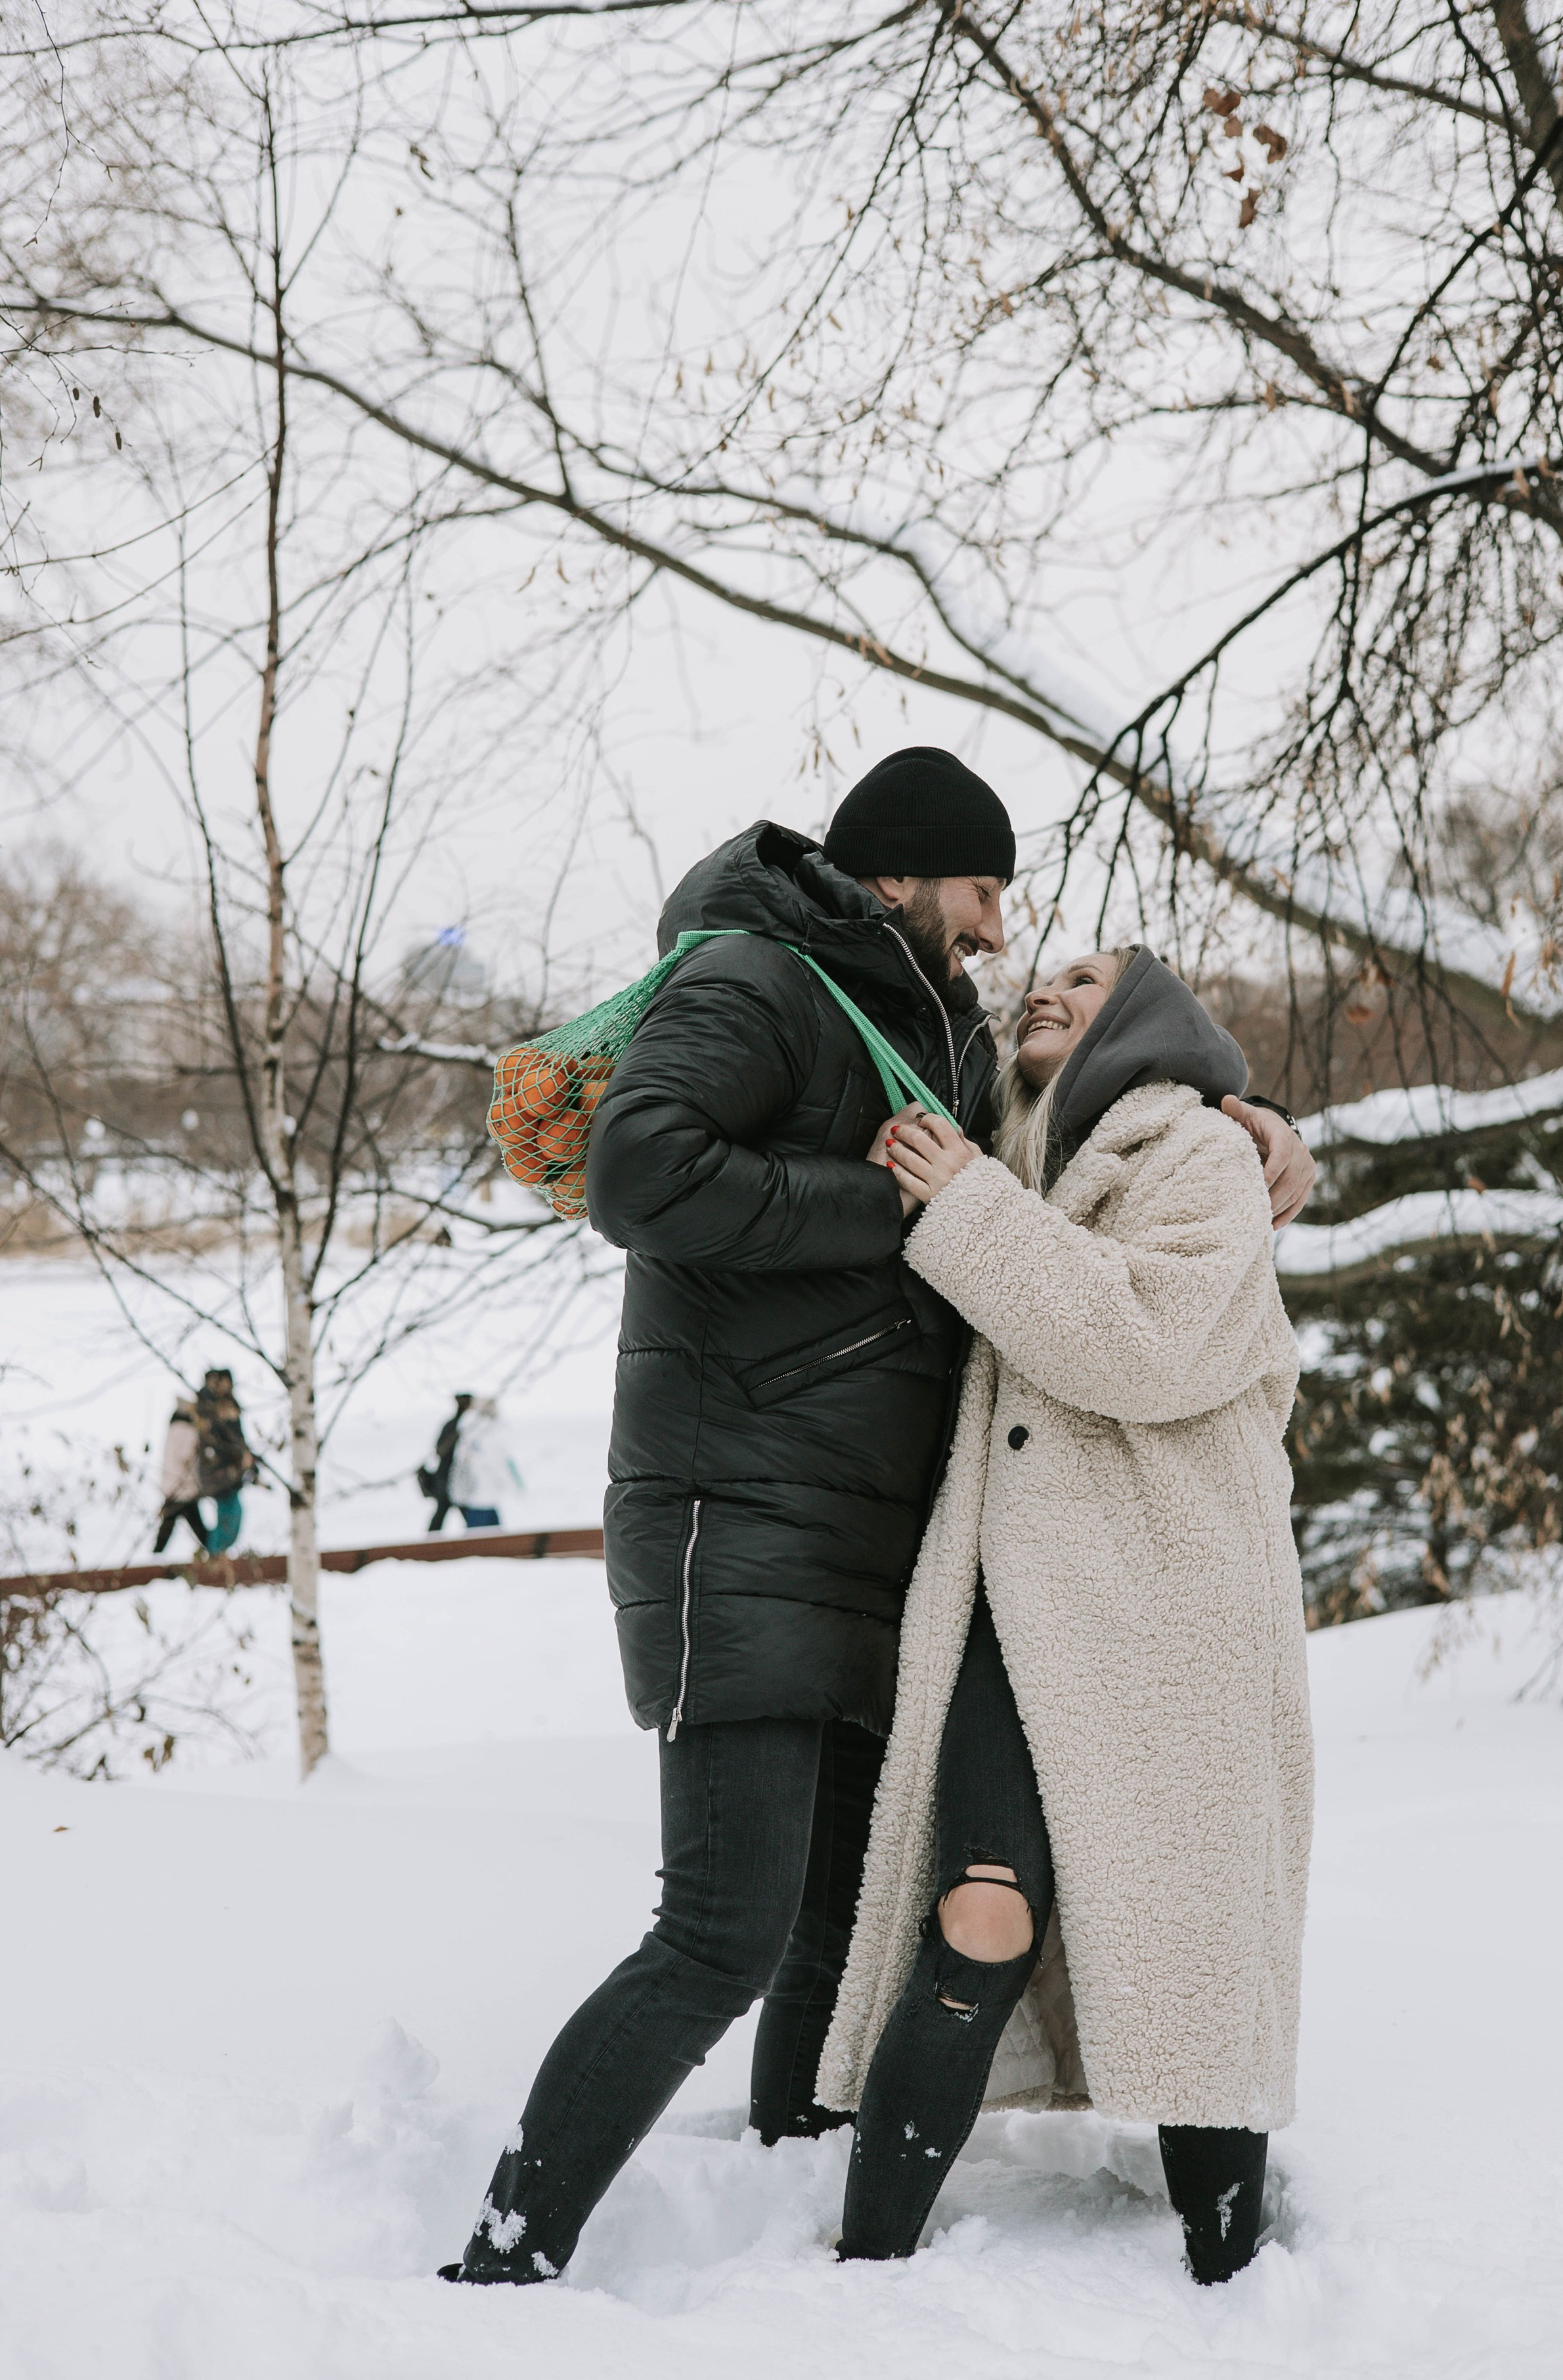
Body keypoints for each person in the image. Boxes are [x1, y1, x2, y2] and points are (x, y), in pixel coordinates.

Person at [442, 750, 1315, 2285]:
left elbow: (1068, 1133)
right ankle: (507, 2250)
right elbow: (643, 1171)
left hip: (877, 1551)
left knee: (835, 1931)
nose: (995, 932)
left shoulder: (924, 1025)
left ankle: (782, 2199)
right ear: (906, 867)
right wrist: (894, 1208)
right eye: (981, 892)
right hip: (744, 1516)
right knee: (718, 1927)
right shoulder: (753, 973)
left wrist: (1245, 1112)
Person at [814, 944, 1313, 2286]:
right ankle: (862, 2277)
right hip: (1004, 1590)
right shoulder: (993, 1150)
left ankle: (1232, 2283)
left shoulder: (1192, 1155)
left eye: (1088, 981)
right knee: (978, 1906)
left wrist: (973, 1208)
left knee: (1190, 1926)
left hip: (1173, 1599)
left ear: (1146, 1021)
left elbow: (1145, 1344)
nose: (1047, 985)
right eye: (1042, 971)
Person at [194, 1368, 253, 1556]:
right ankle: (214, 1558)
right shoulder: (210, 1407)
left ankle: (217, 1556)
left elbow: (237, 1440)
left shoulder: (225, 1406)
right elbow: (220, 1443)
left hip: (230, 1474)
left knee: (232, 1518)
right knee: (228, 1519)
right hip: (222, 1474)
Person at [449, 1396, 523, 1531]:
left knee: (481, 1539)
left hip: (474, 1494)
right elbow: (498, 1464)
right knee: (489, 1540)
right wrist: (512, 1486)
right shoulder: (489, 1434)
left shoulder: (469, 1430)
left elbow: (460, 1459)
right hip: (485, 1495)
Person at [152, 1395, 210, 1554]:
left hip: (173, 1486)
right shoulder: (187, 1431)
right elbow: (186, 1455)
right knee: (198, 1528)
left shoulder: (173, 1429)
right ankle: (214, 1552)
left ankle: (156, 1557)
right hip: (183, 1487)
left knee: (168, 1526)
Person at [421, 1392, 474, 1532]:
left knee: (444, 1512)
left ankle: (430, 1543)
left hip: (446, 1477)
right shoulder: (465, 1425)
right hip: (451, 1477)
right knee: (461, 1512)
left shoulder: (454, 1425)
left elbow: (438, 1450)